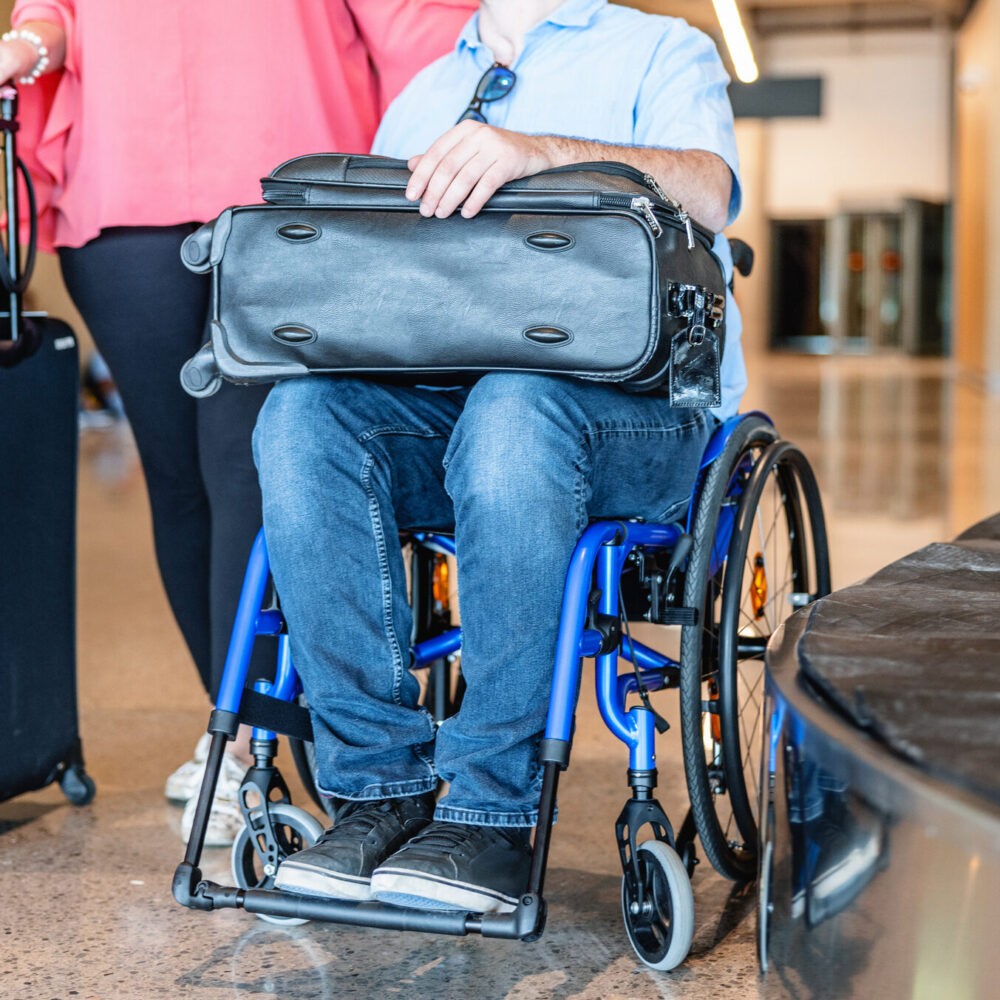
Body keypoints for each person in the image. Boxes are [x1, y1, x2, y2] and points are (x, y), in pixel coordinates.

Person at [254, 0, 746, 914]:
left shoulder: (660, 49)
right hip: (464, 408)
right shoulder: (430, 89)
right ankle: (375, 790)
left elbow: (712, 191)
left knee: (514, 409)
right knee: (302, 416)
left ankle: (490, 813)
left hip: (639, 415)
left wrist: (536, 152)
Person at [0, 0, 473, 845]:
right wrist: (32, 43)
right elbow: (61, 10)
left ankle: (253, 745)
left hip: (287, 183)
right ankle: (229, 713)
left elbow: (408, 20)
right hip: (124, 186)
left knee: (246, 471)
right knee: (177, 478)